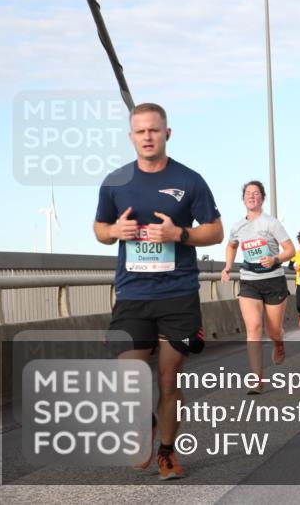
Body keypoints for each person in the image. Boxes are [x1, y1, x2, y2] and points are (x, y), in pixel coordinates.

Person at [94, 103, 224, 479]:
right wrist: (114, 232)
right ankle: (145, 423)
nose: (147, 137)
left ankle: (167, 452)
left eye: (154, 130)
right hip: (133, 294)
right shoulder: (115, 182)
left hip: (178, 293)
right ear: (131, 136)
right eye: (140, 131)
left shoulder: (189, 180)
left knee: (169, 379)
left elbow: (214, 230)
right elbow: (100, 229)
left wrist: (178, 234)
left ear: (167, 134)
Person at [222, 181, 295, 394]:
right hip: (249, 280)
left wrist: (274, 259)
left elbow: (290, 250)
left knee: (273, 330)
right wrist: (227, 266)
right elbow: (231, 245)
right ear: (243, 199)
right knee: (253, 328)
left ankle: (278, 343)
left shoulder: (271, 223)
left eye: (256, 193)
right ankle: (256, 379)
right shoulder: (237, 226)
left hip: (273, 279)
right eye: (248, 193)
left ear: (262, 198)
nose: (252, 196)